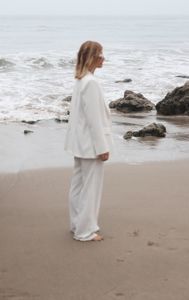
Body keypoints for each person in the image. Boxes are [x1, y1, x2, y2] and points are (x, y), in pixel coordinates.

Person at [64, 41, 112, 241]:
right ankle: (85, 231)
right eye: (100, 54)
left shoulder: (81, 80)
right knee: (90, 189)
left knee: (78, 186)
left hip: (79, 143)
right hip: (90, 145)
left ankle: (77, 225)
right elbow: (94, 119)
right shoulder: (90, 82)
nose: (104, 58)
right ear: (93, 57)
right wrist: (102, 147)